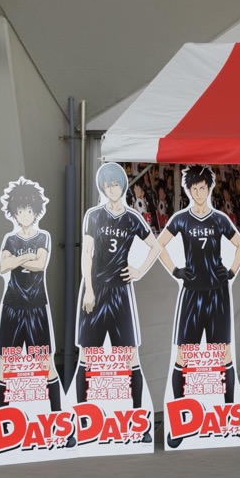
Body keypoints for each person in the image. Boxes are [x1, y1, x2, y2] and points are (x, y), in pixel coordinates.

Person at [159, 164, 240, 447]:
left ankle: (231, 419)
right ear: (188, 190)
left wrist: (230, 272)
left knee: (223, 354)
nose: (199, 193)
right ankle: (179, 424)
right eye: (194, 188)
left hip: (218, 294)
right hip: (191, 294)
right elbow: (159, 245)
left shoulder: (219, 219)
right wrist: (176, 270)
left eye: (203, 188)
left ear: (210, 189)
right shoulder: (181, 219)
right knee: (183, 356)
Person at [75, 163, 161, 417]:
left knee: (129, 354)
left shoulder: (132, 218)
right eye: (108, 185)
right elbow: (87, 253)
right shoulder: (94, 215)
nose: (112, 189)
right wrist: (88, 289)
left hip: (121, 292)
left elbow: (155, 247)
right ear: (102, 188)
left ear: (122, 186)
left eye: (116, 184)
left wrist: (139, 270)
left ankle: (136, 418)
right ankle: (83, 416)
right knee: (88, 354)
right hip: (97, 289)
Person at [0, 178, 62, 412]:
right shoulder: (10, 239)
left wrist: (16, 260)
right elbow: (3, 267)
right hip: (12, 306)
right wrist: (26, 257)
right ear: (14, 212)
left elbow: (40, 264)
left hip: (36, 306)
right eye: (20, 210)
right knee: (6, 364)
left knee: (45, 363)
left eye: (29, 210)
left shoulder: (43, 237)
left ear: (36, 211)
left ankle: (56, 415)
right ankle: (2, 419)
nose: (25, 215)